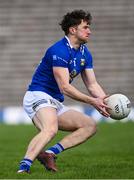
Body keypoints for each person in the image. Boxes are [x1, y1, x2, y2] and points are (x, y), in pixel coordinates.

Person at [17, 9, 110, 173]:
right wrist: (92, 101)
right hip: (38, 95)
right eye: (85, 27)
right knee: (50, 129)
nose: (90, 31)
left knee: (89, 125)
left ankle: (50, 154)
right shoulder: (59, 50)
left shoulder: (84, 53)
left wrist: (105, 101)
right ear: (73, 30)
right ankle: (24, 168)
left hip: (54, 101)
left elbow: (92, 84)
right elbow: (65, 87)